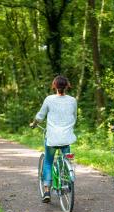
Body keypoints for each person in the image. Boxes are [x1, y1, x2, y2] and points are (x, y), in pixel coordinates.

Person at [30, 75, 77, 203]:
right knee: (66, 157)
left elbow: (40, 116)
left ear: (54, 86)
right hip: (67, 137)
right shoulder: (73, 100)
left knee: (48, 162)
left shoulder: (49, 99)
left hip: (52, 137)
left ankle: (46, 190)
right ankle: (66, 182)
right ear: (67, 86)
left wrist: (34, 124)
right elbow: (74, 117)